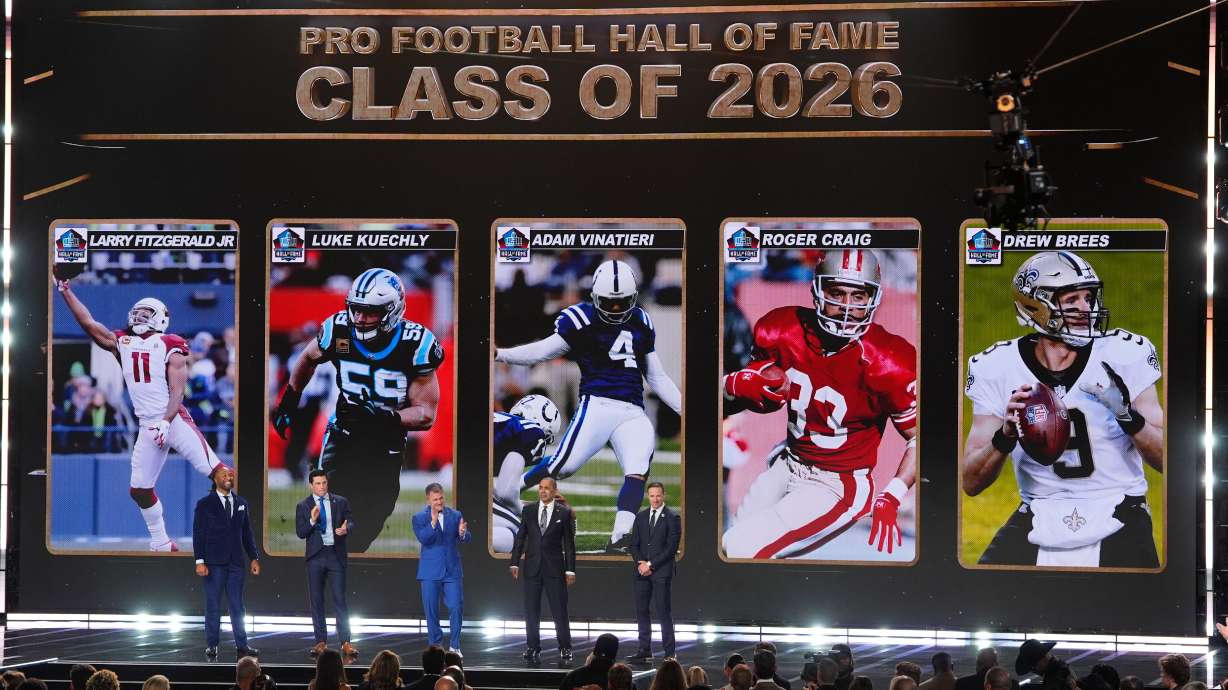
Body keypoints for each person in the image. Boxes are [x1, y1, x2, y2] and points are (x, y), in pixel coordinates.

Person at [963, 251, 1164, 567]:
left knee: (1142, 612)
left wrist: (1127, 416)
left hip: (1120, 509)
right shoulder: (997, 366)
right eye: (1072, 299)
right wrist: (1004, 437)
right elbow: (970, 482)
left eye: (1089, 297)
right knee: (978, 600)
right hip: (1039, 512)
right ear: (1036, 307)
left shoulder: (1125, 354)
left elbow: (1170, 460)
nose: (1087, 308)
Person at [722, 250, 918, 559]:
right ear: (817, 290)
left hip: (837, 485)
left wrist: (892, 495)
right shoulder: (781, 328)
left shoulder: (889, 360)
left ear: (873, 299)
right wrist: (733, 386)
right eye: (837, 292)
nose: (845, 307)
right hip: (788, 463)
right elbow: (749, 401)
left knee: (740, 549)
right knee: (731, 547)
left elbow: (919, 438)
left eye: (858, 296)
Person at [495, 259, 683, 552]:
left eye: (623, 302)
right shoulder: (580, 318)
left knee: (637, 468)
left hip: (633, 410)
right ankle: (508, 490)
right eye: (611, 302)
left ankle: (621, 535)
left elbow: (657, 377)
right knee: (563, 465)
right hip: (597, 405)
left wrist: (686, 409)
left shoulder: (642, 321)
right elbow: (544, 350)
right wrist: (501, 354)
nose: (618, 309)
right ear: (595, 296)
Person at [274, 267, 444, 553]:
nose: (360, 319)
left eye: (370, 312)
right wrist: (290, 400)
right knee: (330, 511)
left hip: (386, 439)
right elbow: (308, 357)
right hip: (344, 431)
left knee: (368, 524)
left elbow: (426, 413)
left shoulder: (415, 344)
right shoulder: (339, 329)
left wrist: (384, 418)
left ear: (393, 310)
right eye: (356, 310)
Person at [55, 277, 227, 551]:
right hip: (148, 425)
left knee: (220, 474)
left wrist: (165, 421)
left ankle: (237, 528)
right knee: (139, 489)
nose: (139, 317)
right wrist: (65, 290)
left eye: (146, 314)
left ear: (160, 319)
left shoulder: (171, 343)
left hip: (174, 420)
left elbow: (177, 392)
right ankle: (161, 541)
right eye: (137, 312)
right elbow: (88, 323)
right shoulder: (122, 342)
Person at [193, 464, 260, 658]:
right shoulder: (205, 504)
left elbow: (247, 533)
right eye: (224, 474)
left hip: (236, 563)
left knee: (237, 605)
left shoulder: (241, 503)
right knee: (213, 604)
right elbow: (199, 534)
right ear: (215, 479)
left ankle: (242, 645)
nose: (228, 477)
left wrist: (254, 557)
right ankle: (212, 644)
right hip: (213, 563)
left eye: (230, 474)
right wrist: (200, 561)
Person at [510, 477, 577, 662]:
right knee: (531, 610)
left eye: (547, 488)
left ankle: (565, 647)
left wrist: (570, 570)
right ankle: (532, 647)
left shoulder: (563, 513)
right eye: (540, 488)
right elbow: (521, 538)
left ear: (555, 491)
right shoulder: (529, 510)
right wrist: (514, 562)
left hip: (555, 569)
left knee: (559, 610)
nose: (543, 491)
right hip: (532, 568)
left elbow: (569, 545)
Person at [296, 470, 357, 658]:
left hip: (335, 556)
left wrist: (347, 527)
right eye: (318, 483)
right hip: (315, 557)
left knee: (340, 599)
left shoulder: (341, 501)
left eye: (324, 483)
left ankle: (346, 642)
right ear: (311, 485)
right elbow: (301, 532)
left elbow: (352, 521)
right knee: (317, 601)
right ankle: (320, 641)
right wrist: (313, 520)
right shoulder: (304, 505)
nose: (322, 486)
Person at [492, 395, 562, 554]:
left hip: (444, 476)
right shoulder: (532, 432)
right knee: (525, 537)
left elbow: (497, 490)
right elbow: (506, 493)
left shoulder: (503, 421)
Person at [414, 483, 471, 654]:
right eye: (435, 499)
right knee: (431, 612)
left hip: (452, 570)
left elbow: (467, 538)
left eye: (441, 498)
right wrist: (432, 522)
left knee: (456, 607)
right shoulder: (419, 518)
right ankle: (436, 647)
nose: (439, 502)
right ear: (428, 499)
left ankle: (455, 646)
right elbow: (424, 538)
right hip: (430, 572)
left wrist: (462, 533)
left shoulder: (455, 515)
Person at [627, 482, 681, 661]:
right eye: (652, 495)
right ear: (647, 496)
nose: (655, 499)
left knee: (663, 611)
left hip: (661, 573)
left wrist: (650, 565)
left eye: (658, 495)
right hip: (642, 572)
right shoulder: (641, 517)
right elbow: (633, 544)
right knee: (642, 610)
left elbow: (671, 548)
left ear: (663, 495)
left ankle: (669, 653)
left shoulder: (673, 517)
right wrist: (641, 563)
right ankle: (644, 650)